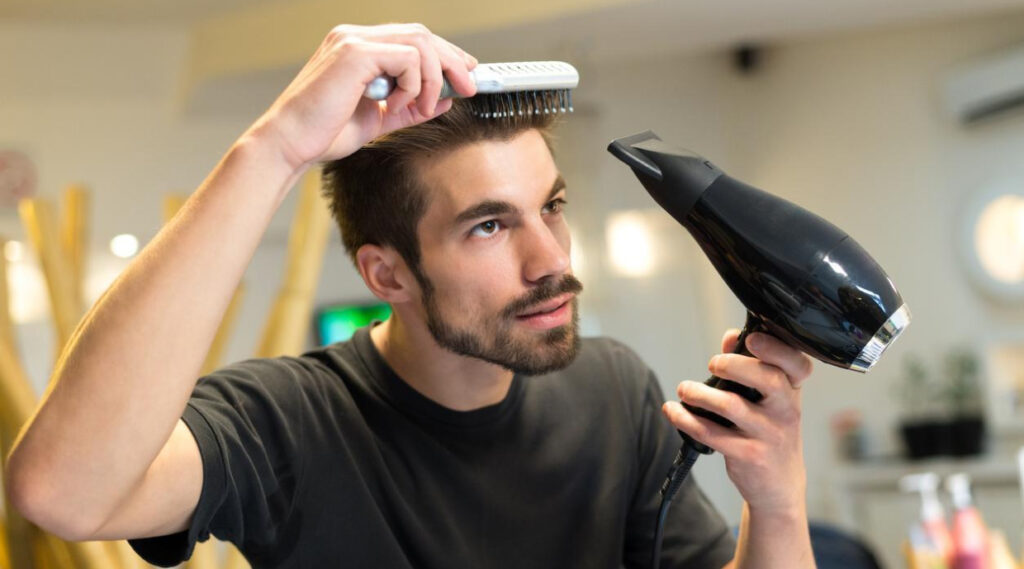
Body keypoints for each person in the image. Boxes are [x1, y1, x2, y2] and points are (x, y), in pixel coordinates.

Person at [6, 23, 816, 568]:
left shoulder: (615, 390)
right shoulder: (286, 422)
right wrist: (274, 149)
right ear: (384, 272)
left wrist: (777, 501)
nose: (550, 260)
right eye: (490, 226)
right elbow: (60, 491)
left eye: (553, 207)